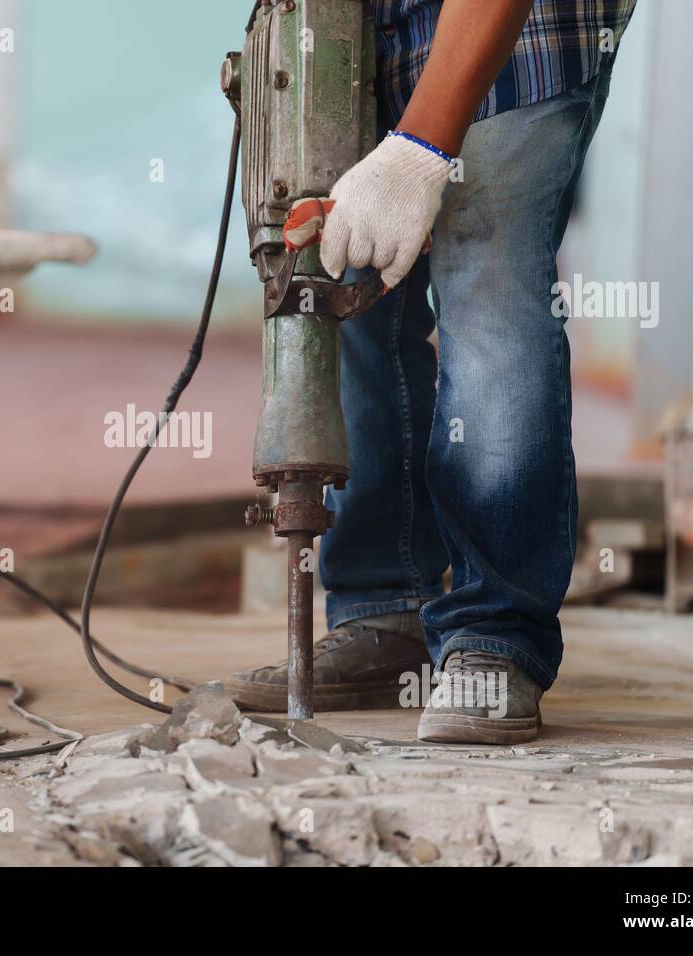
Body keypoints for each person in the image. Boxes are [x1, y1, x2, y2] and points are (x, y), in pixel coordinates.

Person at [227, 0, 637, 743]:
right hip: (358, 37)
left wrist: (421, 147)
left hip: (516, 37)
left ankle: (494, 634)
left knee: (489, 291)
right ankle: (386, 612)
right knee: (353, 288)